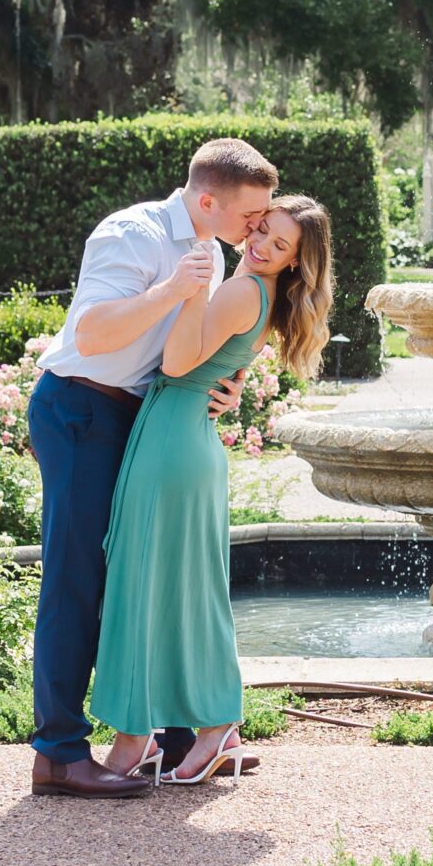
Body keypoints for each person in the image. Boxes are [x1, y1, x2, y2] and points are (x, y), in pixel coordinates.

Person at [27, 138, 278, 799]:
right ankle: (58, 753)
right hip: (80, 409)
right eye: (253, 213)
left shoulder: (215, 251)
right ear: (207, 201)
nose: (259, 225)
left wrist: (226, 388)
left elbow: (192, 348)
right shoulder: (131, 234)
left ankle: (169, 739)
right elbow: (92, 335)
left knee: (145, 572)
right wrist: (172, 288)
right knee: (77, 579)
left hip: (138, 418)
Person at [92, 196, 334, 787]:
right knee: (185, 589)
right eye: (262, 231)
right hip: (187, 439)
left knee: (143, 583)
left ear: (296, 263)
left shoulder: (239, 290)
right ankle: (207, 730)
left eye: (280, 247)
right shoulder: (262, 294)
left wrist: (193, 283)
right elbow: (215, 359)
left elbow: (175, 365)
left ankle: (142, 738)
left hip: (173, 437)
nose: (261, 246)